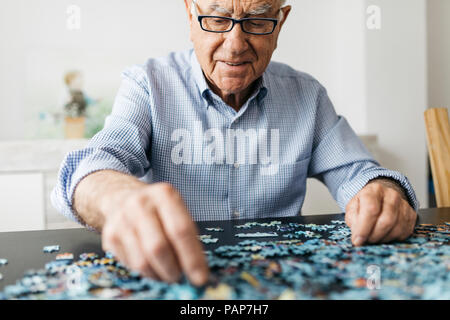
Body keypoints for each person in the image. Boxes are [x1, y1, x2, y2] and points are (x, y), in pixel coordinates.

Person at [51, 0, 419, 287]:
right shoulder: (148, 84)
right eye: (216, 18)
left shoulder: (308, 96)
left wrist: (382, 193)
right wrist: (117, 199)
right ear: (190, 15)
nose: (235, 44)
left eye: (257, 20)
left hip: (277, 284)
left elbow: (357, 172)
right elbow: (96, 164)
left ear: (281, 21)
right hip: (174, 282)